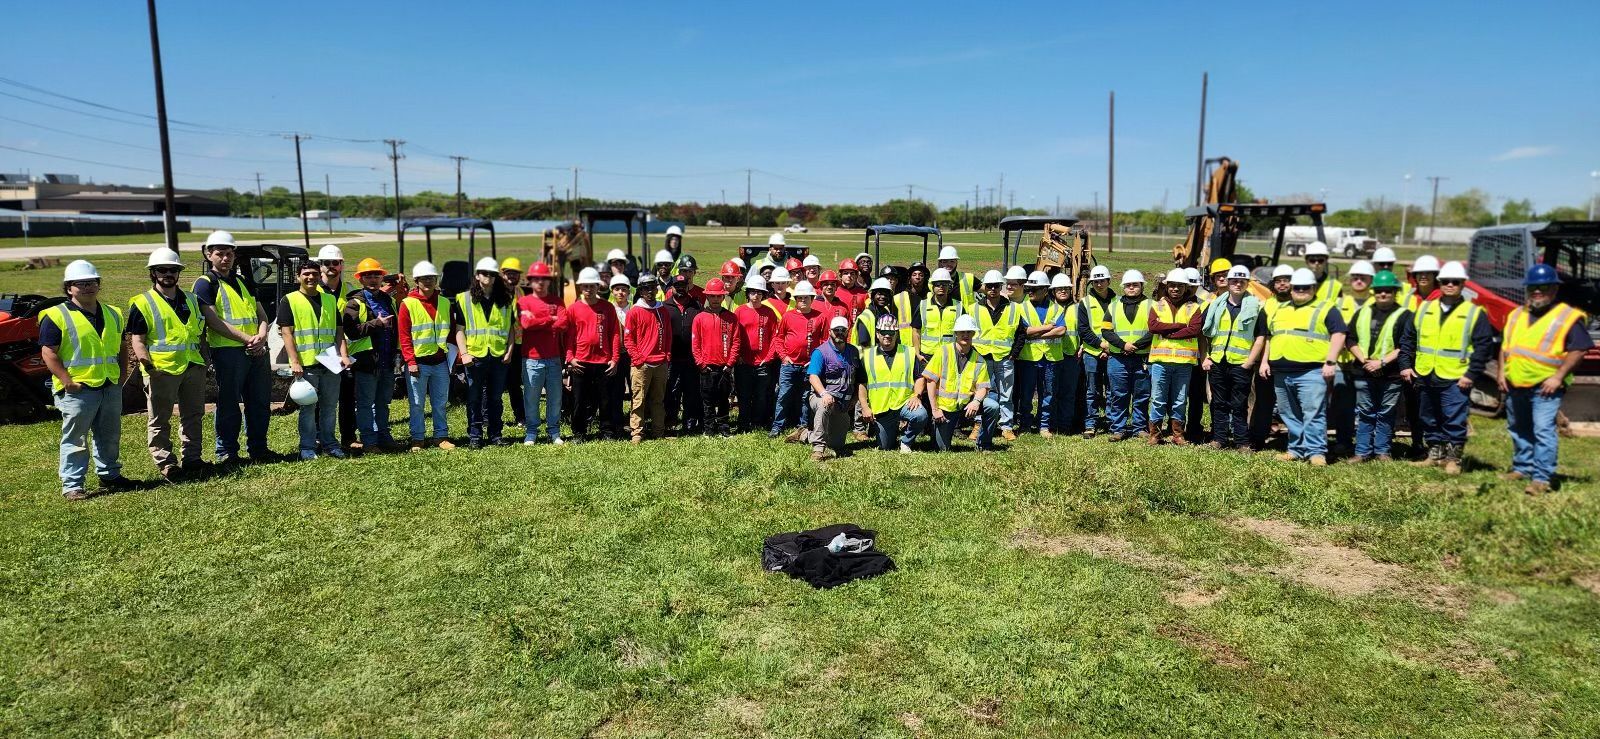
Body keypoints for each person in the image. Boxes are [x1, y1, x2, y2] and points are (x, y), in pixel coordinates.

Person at [41, 260, 131, 500]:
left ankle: (110, 474)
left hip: (109, 385)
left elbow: (122, 347)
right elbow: (49, 352)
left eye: (91, 282)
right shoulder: (56, 315)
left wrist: (122, 374)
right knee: (75, 438)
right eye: (80, 284)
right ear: (69, 288)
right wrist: (66, 380)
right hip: (78, 390)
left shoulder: (113, 313)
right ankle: (72, 485)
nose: (87, 287)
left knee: (109, 435)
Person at [1498, 264, 1590, 494]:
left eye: (1544, 287)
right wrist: (1501, 371)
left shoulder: (1565, 317)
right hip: (1515, 383)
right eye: (1533, 287)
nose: (1537, 291)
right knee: (1518, 428)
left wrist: (1558, 377)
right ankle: (1522, 467)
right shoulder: (1517, 314)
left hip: (1545, 388)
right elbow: (1505, 347)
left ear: (1554, 290)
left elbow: (1579, 348)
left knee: (1542, 431)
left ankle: (1541, 478)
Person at [1400, 260, 1495, 474]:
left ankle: (1453, 460)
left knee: (1454, 419)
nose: (1450, 285)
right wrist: (1406, 365)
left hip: (1456, 377)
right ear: (1439, 283)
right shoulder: (1424, 309)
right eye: (1445, 281)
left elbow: (1483, 347)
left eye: (1455, 282)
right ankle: (1435, 455)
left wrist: (1471, 374)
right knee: (1428, 417)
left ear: (1463, 285)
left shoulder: (1473, 313)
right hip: (1425, 374)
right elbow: (1408, 338)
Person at [124, 247, 208, 482]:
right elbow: (137, 341)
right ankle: (167, 463)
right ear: (153, 273)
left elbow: (199, 334)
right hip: (161, 371)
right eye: (162, 270)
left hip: (192, 366)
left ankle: (192, 459)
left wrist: (204, 361)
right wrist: (150, 368)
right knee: (160, 419)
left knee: (193, 415)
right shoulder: (143, 303)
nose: (168, 274)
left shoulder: (191, 299)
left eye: (173, 270)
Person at [192, 231, 276, 465]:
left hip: (256, 349)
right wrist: (248, 339)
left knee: (259, 401)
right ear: (209, 255)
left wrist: (261, 335)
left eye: (229, 253)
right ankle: (226, 451)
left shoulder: (242, 281)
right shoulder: (205, 283)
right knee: (229, 403)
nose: (225, 258)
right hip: (228, 351)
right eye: (220, 254)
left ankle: (258, 448)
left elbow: (261, 313)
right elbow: (212, 320)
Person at [1260, 268, 1347, 466]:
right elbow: (1271, 337)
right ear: (1291, 289)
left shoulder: (1326, 308)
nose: (1300, 290)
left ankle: (1316, 452)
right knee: (1288, 414)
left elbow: (1339, 334)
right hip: (1282, 372)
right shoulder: (1281, 309)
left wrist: (1331, 361)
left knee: (1313, 413)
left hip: (1311, 372)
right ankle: (1296, 449)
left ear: (1313, 288)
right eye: (1297, 287)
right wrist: (1265, 361)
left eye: (1305, 287)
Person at [280, 258, 351, 460]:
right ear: (298, 277)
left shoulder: (329, 299)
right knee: (308, 408)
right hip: (306, 365)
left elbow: (339, 332)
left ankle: (330, 444)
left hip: (329, 362)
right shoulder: (290, 300)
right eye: (306, 274)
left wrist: (343, 355)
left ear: (320, 276)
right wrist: (294, 361)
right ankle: (307, 447)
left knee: (329, 407)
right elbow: (287, 334)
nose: (310, 277)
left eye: (314, 274)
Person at [1346, 270, 1412, 462]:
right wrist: (1364, 360)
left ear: (1395, 292)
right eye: (1380, 290)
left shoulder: (1404, 315)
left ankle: (1382, 451)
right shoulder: (1362, 313)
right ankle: (1362, 452)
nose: (1383, 294)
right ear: (1374, 291)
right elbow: (1350, 339)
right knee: (1365, 413)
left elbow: (1405, 345)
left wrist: (1381, 363)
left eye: (1388, 291)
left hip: (1390, 374)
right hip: (1364, 371)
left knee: (1385, 413)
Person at [1199, 265, 1265, 450]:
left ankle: (1242, 442)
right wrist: (1205, 357)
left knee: (1239, 404)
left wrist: (1250, 361)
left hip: (1241, 363)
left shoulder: (1256, 307)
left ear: (1247, 283)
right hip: (1218, 362)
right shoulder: (1216, 305)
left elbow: (1261, 336)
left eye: (1241, 281)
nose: (1237, 284)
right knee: (1218, 403)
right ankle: (1219, 440)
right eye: (1234, 280)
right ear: (1228, 282)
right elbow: (1203, 333)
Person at [455, 258, 518, 449]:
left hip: (498, 356)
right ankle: (475, 435)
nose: (488, 277)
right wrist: (464, 354)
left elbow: (510, 329)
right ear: (477, 275)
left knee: (495, 398)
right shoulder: (464, 299)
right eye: (484, 273)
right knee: (474, 397)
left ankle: (495, 434)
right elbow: (459, 329)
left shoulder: (506, 299)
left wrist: (510, 351)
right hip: (475, 356)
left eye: (492, 274)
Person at [343, 258, 401, 453]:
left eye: (376, 275)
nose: (373, 279)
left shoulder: (389, 301)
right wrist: (377, 324)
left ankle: (383, 435)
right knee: (366, 404)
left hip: (386, 360)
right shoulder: (354, 303)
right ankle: (369, 441)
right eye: (368, 276)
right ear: (361, 279)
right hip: (367, 362)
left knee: (383, 402)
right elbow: (351, 332)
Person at [398, 260, 456, 452]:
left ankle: (441, 436)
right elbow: (404, 336)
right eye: (424, 279)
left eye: (431, 278)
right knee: (417, 404)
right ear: (416, 281)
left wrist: (453, 359)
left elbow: (452, 333)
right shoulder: (408, 304)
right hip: (418, 364)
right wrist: (410, 361)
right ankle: (417, 438)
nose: (428, 282)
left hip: (440, 362)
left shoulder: (445, 302)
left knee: (440, 402)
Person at [924, 314, 1001, 451]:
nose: (965, 335)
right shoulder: (943, 352)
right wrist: (935, 410)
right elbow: (930, 381)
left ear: (973, 334)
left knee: (992, 406)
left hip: (967, 405)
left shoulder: (979, 359)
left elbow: (983, 387)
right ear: (956, 333)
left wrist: (976, 402)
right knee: (941, 449)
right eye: (962, 332)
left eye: (969, 332)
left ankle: (984, 444)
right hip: (945, 408)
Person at [562, 268, 620, 443]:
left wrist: (615, 359)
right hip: (580, 362)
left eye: (592, 285)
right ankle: (579, 432)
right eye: (585, 286)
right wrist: (570, 358)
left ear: (597, 286)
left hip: (603, 362)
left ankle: (606, 431)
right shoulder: (573, 309)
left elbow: (615, 334)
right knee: (579, 400)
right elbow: (569, 336)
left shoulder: (607, 308)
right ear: (580, 287)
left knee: (605, 399)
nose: (588, 289)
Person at [1146, 270, 1204, 444]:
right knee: (1157, 399)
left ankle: (1178, 434)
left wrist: (1169, 333)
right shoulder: (1157, 305)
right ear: (1167, 286)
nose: (1176, 289)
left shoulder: (1193, 307)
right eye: (1172, 285)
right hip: (1160, 362)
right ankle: (1155, 435)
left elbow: (1194, 329)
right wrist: (1179, 326)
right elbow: (1153, 326)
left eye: (1180, 286)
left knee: (1179, 400)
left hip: (1183, 363)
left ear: (1186, 287)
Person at [859, 313, 928, 453]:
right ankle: (892, 432)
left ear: (896, 333)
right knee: (885, 446)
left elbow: (920, 377)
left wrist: (917, 395)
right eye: (883, 332)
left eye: (891, 332)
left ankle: (906, 441)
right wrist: (865, 407)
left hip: (904, 402)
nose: (887, 336)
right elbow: (862, 384)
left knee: (921, 415)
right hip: (882, 408)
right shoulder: (867, 356)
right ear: (877, 334)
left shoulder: (908, 352)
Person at [1329, 260, 1377, 455]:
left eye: (1363, 278)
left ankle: (1371, 444)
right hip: (1344, 362)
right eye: (1355, 277)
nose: (1358, 281)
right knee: (1343, 405)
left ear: (1371, 280)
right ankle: (1343, 441)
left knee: (1371, 405)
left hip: (1371, 363)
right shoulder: (1340, 303)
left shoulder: (1378, 303)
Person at [313, 244, 359, 451]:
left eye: (335, 263)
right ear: (320, 266)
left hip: (345, 352)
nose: (331, 267)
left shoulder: (350, 290)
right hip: (320, 353)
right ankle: (317, 436)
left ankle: (349, 436)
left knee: (348, 397)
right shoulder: (312, 291)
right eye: (326, 263)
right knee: (318, 399)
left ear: (341, 265)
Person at [1247, 264, 1297, 449]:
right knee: (1263, 402)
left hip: (1293, 363)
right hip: (1269, 362)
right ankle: (1258, 438)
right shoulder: (1268, 305)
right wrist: (1264, 362)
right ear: (1273, 284)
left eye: (1286, 280)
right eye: (1278, 281)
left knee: (1292, 405)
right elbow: (1264, 335)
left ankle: (1296, 442)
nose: (1282, 284)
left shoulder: (1300, 304)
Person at [518, 261, 568, 445]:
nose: (540, 282)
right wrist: (549, 318)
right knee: (532, 398)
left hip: (554, 359)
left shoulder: (557, 301)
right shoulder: (524, 302)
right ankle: (531, 432)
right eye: (536, 279)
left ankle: (554, 432)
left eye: (544, 279)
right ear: (530, 281)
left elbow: (563, 324)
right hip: (532, 360)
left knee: (555, 398)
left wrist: (538, 320)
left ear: (549, 281)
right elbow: (526, 324)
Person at [772, 280, 828, 441]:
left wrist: (815, 361)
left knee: (805, 397)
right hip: (789, 365)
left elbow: (824, 342)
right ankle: (777, 426)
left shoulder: (820, 317)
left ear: (812, 298)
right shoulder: (788, 316)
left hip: (809, 366)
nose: (802, 300)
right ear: (795, 299)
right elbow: (778, 339)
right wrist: (784, 357)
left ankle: (802, 426)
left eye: (806, 298)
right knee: (784, 395)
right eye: (799, 298)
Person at [1101, 269, 1153, 441]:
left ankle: (1140, 427)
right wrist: (1123, 345)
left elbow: (1154, 331)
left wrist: (1135, 346)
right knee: (1118, 394)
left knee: (1142, 395)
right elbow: (1106, 331)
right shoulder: (1113, 306)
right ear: (1123, 287)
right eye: (1128, 285)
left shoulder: (1151, 306)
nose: (1131, 287)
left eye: (1135, 285)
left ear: (1141, 286)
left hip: (1142, 358)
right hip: (1118, 358)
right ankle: (1118, 428)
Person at [973, 269, 1024, 440]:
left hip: (1005, 357)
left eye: (996, 286)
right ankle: (978, 424)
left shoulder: (1014, 308)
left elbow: (1021, 333)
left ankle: (1006, 426)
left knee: (1006, 393)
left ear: (1000, 287)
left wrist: (1014, 353)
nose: (993, 289)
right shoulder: (974, 309)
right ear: (985, 287)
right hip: (982, 357)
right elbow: (968, 333)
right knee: (981, 392)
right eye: (989, 286)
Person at [807, 315, 864, 461]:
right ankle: (818, 449)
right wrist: (824, 393)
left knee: (836, 444)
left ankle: (804, 434)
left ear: (847, 331)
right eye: (836, 330)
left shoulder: (854, 352)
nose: (839, 333)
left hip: (843, 405)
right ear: (829, 332)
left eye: (842, 330)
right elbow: (813, 376)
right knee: (823, 406)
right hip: (822, 397)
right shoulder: (820, 352)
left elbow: (859, 379)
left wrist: (855, 399)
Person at [625, 273, 673, 444]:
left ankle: (658, 431)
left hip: (660, 363)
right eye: (646, 288)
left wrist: (666, 355)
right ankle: (637, 432)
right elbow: (628, 339)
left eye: (652, 287)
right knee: (638, 400)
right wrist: (638, 359)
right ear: (640, 291)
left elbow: (668, 335)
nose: (650, 291)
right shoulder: (635, 312)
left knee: (658, 400)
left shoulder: (662, 310)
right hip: (642, 364)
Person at [1016, 270, 1064, 435]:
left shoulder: (1057, 308)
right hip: (1029, 358)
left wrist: (1038, 332)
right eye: (1028, 288)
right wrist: (1047, 327)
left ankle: (1044, 425)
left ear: (1045, 290)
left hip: (1050, 358)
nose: (1030, 292)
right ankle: (1025, 424)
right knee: (1026, 394)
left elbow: (1061, 331)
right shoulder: (1021, 308)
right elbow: (1025, 331)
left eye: (1034, 289)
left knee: (1048, 393)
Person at [693, 278, 743, 437]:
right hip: (706, 367)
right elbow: (695, 344)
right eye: (712, 296)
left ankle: (724, 429)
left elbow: (736, 342)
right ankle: (709, 430)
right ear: (707, 296)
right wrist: (701, 364)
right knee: (707, 401)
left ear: (723, 297)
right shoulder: (699, 318)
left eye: (718, 296)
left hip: (725, 368)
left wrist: (729, 365)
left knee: (723, 400)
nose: (715, 299)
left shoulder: (731, 318)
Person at [734, 274, 780, 433]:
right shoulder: (739, 311)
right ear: (748, 293)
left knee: (761, 396)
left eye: (759, 293)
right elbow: (735, 335)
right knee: (744, 395)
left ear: (763, 294)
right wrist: (738, 356)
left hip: (763, 363)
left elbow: (775, 337)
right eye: (753, 292)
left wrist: (768, 358)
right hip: (743, 362)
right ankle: (743, 423)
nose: (756, 295)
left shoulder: (770, 313)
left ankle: (758, 422)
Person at [663, 267, 704, 436]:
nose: (680, 288)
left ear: (687, 286)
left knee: (691, 391)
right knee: (671, 391)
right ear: (671, 288)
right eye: (676, 285)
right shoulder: (665, 307)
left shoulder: (697, 306)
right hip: (671, 357)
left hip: (691, 357)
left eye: (683, 285)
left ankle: (689, 422)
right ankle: (671, 422)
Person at [1077, 265, 1116, 437]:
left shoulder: (1118, 301)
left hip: (1114, 352)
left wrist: (1110, 348)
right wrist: (1101, 346)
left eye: (1102, 281)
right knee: (1092, 391)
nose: (1099, 284)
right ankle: (1090, 424)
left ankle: (1111, 422)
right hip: (1092, 353)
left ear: (1108, 281)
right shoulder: (1085, 302)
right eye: (1095, 282)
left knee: (1112, 389)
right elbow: (1084, 330)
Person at [1048, 274, 1083, 435]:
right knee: (1051, 392)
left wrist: (1082, 346)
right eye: (1059, 289)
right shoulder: (1049, 308)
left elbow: (1083, 330)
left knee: (1068, 393)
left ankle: (1065, 425)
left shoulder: (1078, 308)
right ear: (1053, 290)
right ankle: (1051, 424)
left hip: (1071, 356)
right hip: (1052, 355)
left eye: (1066, 289)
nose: (1063, 291)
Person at [500, 257, 529, 430]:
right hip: (499, 344)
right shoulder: (496, 293)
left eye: (515, 273)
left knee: (514, 383)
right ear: (502, 274)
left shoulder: (520, 292)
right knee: (494, 384)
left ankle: (521, 417)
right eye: (509, 273)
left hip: (518, 343)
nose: (512, 276)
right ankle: (492, 418)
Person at [605, 273, 634, 438]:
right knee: (616, 391)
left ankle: (634, 423)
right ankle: (617, 424)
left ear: (629, 292)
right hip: (615, 356)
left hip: (631, 356)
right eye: (617, 289)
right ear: (612, 292)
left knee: (635, 390)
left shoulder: (634, 309)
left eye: (624, 289)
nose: (621, 293)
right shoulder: (609, 310)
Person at [919, 268, 964, 363]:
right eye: (938, 284)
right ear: (932, 286)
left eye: (944, 284)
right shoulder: (923, 305)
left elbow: (964, 332)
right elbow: (915, 331)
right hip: (927, 356)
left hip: (950, 355)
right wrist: (917, 353)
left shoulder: (958, 306)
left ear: (949, 286)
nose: (941, 287)